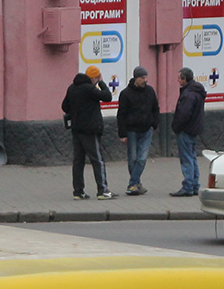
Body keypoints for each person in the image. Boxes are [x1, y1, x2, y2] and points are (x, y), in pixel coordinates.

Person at [62, 65, 113, 200]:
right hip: (90, 130)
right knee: (97, 160)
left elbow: (64, 106)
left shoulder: (72, 88)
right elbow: (107, 96)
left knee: (78, 161)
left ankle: (78, 191)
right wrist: (101, 83)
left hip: (76, 129)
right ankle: (103, 190)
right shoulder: (90, 89)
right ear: (95, 78)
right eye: (98, 77)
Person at [116, 66, 159, 195]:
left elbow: (155, 108)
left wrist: (154, 124)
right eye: (142, 78)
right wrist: (122, 133)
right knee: (132, 158)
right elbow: (121, 114)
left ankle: (132, 184)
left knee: (142, 158)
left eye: (146, 77)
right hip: (131, 130)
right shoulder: (126, 94)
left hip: (147, 129)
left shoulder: (150, 91)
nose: (145, 80)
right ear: (136, 78)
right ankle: (136, 183)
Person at [171, 66, 207, 197]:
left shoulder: (188, 94)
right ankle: (195, 185)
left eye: (179, 78)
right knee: (192, 158)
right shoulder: (197, 91)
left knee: (186, 159)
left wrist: (176, 126)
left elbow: (183, 114)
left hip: (185, 130)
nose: (178, 80)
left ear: (184, 79)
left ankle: (188, 186)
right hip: (194, 129)